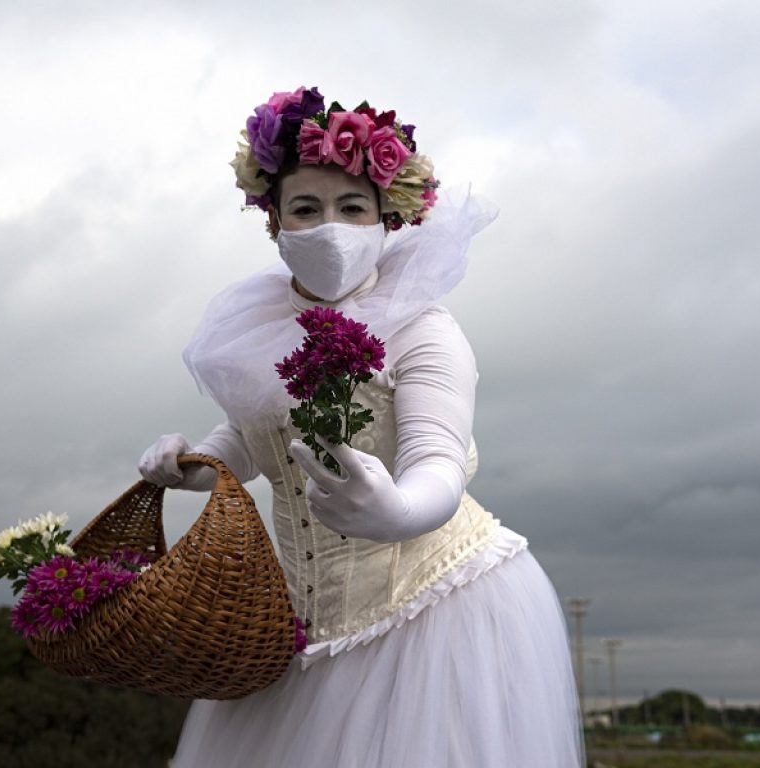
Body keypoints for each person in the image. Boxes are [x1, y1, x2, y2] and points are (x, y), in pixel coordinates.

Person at [138, 86, 584, 767]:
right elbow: (252, 438)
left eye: (351, 207)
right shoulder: (256, 329)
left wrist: (397, 509)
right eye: (306, 209)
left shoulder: (423, 330)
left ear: (385, 217)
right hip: (296, 631)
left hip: (433, 612)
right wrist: (189, 463)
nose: (331, 228)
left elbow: (436, 459)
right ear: (274, 222)